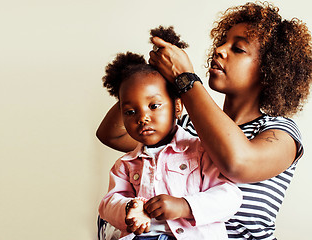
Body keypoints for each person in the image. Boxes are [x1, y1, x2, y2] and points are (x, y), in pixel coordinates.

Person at [97, 2, 312, 239]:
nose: (219, 50)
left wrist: (185, 78)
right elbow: (112, 134)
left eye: (238, 49)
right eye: (222, 41)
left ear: (270, 69)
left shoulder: (279, 131)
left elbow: (238, 163)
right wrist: (147, 80)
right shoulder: (185, 126)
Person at [98, 45, 242, 240]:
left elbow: (230, 198)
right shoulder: (125, 164)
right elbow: (107, 205)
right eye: (130, 112)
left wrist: (184, 206)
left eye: (154, 106)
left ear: (177, 107)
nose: (143, 118)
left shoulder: (199, 151)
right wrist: (127, 209)